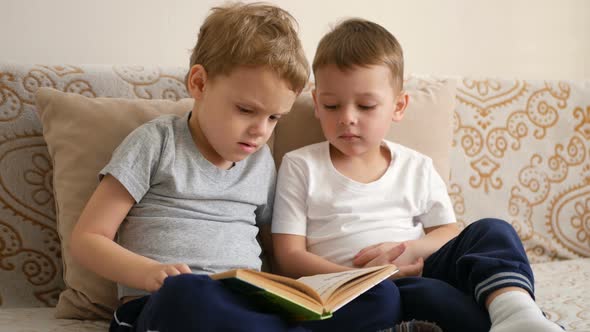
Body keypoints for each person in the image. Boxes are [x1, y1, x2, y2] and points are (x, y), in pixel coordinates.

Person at [69, 3, 404, 332]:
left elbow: (276, 248)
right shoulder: (157, 142)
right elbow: (88, 238)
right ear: (199, 84)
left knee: (382, 297)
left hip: (247, 304)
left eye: (274, 117)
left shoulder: (260, 163)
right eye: (246, 110)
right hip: (165, 301)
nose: (261, 130)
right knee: (191, 292)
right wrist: (146, 273)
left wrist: (320, 290)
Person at [271, 18, 564, 332]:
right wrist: (365, 276)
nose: (347, 119)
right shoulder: (300, 165)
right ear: (316, 103)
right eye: (332, 105)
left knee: (493, 230)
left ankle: (518, 312)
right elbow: (289, 256)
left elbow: (447, 232)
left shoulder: (416, 166)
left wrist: (407, 250)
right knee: (445, 305)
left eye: (366, 106)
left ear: (398, 106)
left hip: (418, 266)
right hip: (354, 288)